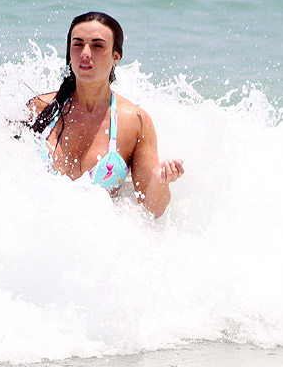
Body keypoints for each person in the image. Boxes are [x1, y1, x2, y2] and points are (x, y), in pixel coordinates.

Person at [27, 12, 184, 218]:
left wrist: (160, 181)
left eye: (97, 45)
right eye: (78, 44)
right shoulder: (40, 109)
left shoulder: (134, 121)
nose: (85, 52)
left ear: (116, 56)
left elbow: (152, 209)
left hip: (97, 243)